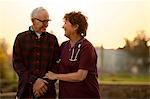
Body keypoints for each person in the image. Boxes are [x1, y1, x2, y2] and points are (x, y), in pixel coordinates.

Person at [44, 11, 101, 98]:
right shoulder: (63, 46)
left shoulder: (87, 47)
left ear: (75, 27)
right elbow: (52, 62)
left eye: (66, 23)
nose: (63, 26)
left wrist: (55, 76)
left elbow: (80, 76)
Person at [13, 7, 60, 98]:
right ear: (32, 20)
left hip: (48, 92)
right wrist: (34, 81)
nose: (46, 25)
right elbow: (17, 64)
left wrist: (44, 83)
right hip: (25, 91)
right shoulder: (21, 38)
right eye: (43, 21)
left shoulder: (53, 39)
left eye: (47, 21)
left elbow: (56, 65)